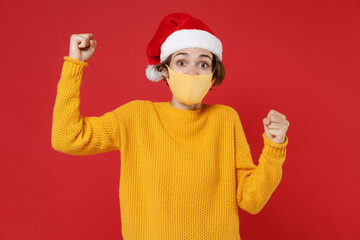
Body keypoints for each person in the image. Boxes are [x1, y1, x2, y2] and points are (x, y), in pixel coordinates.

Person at [51, 12, 290, 240]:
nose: (193, 72)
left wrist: (274, 148)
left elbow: (251, 201)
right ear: (164, 71)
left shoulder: (226, 120)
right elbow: (67, 138)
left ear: (214, 76)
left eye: (203, 64)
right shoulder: (136, 117)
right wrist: (75, 64)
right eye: (181, 62)